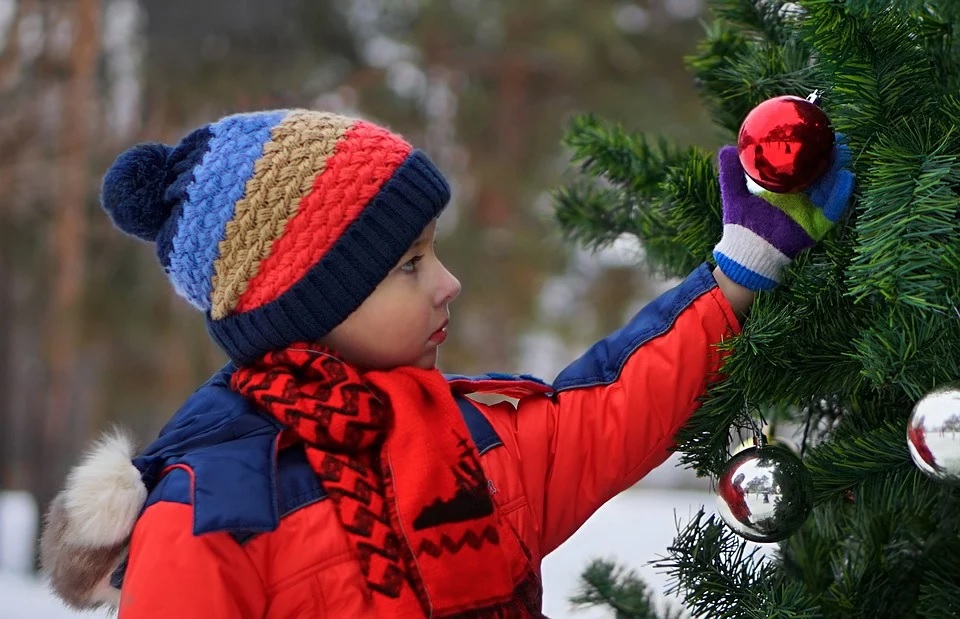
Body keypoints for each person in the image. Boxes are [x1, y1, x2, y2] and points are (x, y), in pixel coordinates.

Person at [39, 109, 854, 618]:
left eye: (435, 253)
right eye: (409, 265)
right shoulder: (209, 509)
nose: (448, 283)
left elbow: (607, 410)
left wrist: (740, 268)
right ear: (309, 304)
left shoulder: (465, 437)